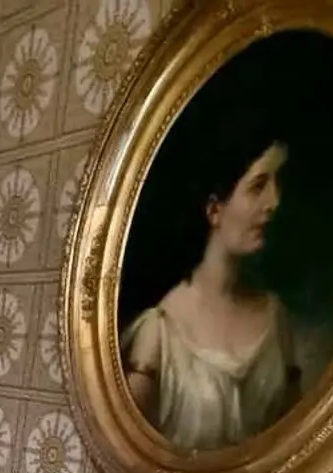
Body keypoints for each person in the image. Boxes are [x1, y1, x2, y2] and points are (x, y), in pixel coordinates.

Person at [122, 126, 303, 451]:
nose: (273, 201)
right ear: (214, 210)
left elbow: (294, 440)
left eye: (277, 184)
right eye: (258, 186)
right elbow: (128, 452)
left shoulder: (276, 320)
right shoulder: (159, 332)